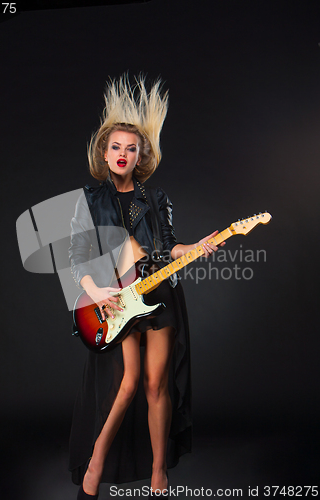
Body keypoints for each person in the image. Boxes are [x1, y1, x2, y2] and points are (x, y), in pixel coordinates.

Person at [68, 75, 223, 499]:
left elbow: (172, 246)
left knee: (157, 385)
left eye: (131, 148)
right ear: (105, 153)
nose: (122, 153)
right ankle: (97, 456)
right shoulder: (90, 199)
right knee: (129, 382)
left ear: (141, 156)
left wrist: (198, 246)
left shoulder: (156, 198)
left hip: (159, 294)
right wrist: (95, 290)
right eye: (116, 146)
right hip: (118, 300)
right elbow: (77, 255)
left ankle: (159, 473)